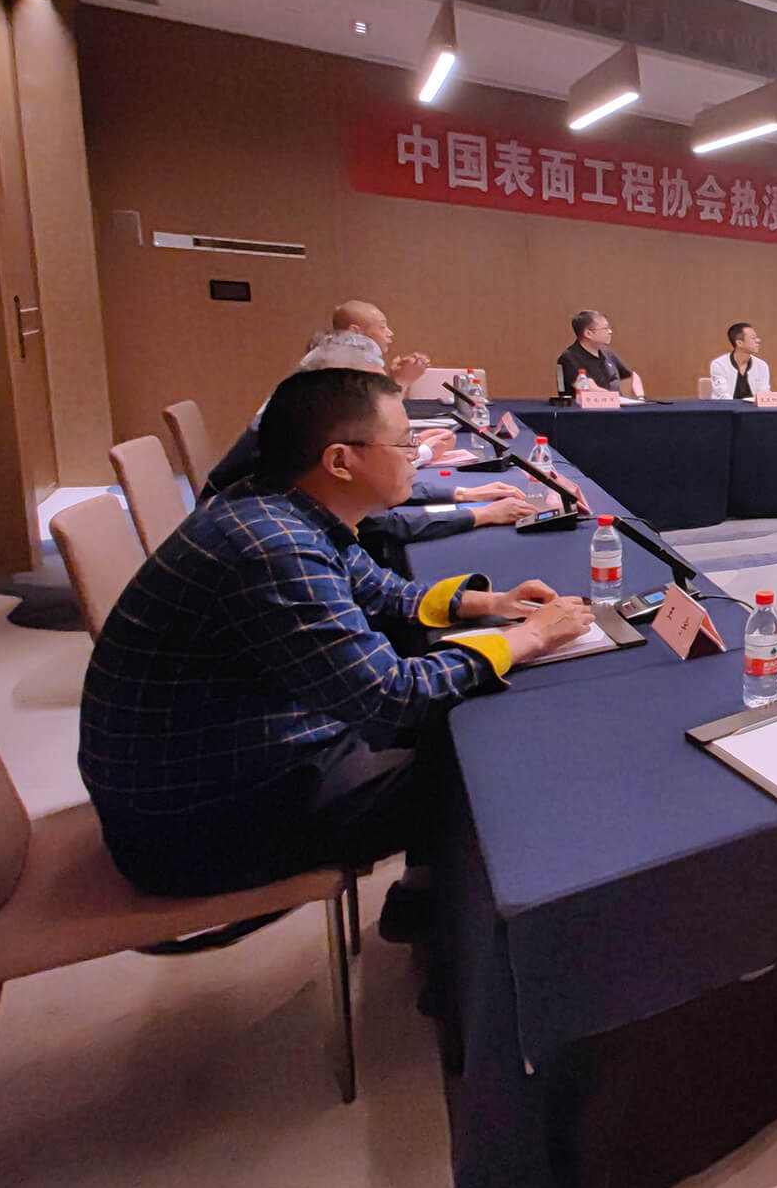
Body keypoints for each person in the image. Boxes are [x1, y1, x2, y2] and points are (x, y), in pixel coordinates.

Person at [79, 368, 594, 899]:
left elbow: (381, 590)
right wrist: (527, 639)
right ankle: (454, 935)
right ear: (340, 461)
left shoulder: (281, 505)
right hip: (195, 827)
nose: (415, 455)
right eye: (404, 442)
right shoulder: (273, 548)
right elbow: (391, 696)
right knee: (487, 771)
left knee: (460, 721)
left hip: (223, 767)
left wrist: (493, 604)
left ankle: (424, 903)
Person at [202, 335, 540, 567]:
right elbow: (379, 525)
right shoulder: (283, 544)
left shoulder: (307, 468)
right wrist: (479, 513)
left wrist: (463, 493)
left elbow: (374, 583)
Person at [333, 299, 429, 391]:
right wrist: (402, 381)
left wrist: (392, 379)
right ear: (355, 332)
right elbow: (381, 403)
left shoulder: (337, 361)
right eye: (382, 327)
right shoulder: (357, 369)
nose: (390, 333)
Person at [557, 310, 644, 399]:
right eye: (605, 328)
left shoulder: (608, 353)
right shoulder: (569, 357)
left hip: (618, 403)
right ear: (588, 333)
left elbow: (631, 376)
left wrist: (640, 397)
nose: (610, 331)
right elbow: (589, 388)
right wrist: (616, 399)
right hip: (591, 406)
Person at [710, 321, 770, 400]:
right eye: (753, 338)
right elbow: (723, 396)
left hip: (753, 407)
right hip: (727, 407)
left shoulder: (762, 365)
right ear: (739, 343)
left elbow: (763, 395)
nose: (758, 340)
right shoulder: (719, 364)